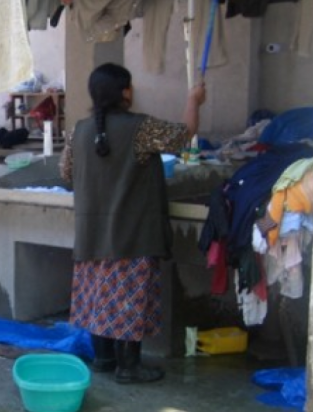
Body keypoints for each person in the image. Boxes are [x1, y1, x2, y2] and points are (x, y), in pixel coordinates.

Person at [60, 63, 206, 384]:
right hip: (132, 235)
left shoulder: (78, 131)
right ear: (125, 92)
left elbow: (66, 173)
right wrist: (193, 101)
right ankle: (129, 367)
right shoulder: (140, 129)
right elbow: (184, 136)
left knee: (99, 297)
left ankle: (103, 358)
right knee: (128, 300)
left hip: (91, 237)